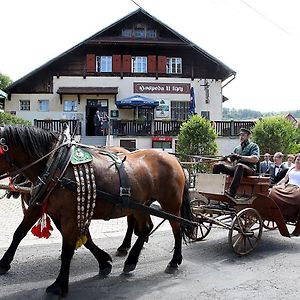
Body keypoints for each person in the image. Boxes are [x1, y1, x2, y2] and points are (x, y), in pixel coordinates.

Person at [213, 128, 260, 198]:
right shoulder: (237, 148)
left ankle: (231, 192)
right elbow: (231, 163)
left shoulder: (253, 146)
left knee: (239, 166)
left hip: (249, 169)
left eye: (243, 135)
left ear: (248, 136)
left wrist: (240, 157)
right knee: (217, 166)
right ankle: (215, 189)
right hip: (237, 169)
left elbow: (255, 159)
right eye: (240, 135)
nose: (241, 137)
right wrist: (225, 159)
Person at [269, 153, 300, 236]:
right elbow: (285, 179)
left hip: (297, 189)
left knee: (296, 196)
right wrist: (277, 184)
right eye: (298, 159)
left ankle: (288, 214)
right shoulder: (291, 168)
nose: (299, 161)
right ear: (295, 160)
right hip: (287, 186)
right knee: (274, 191)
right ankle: (276, 211)